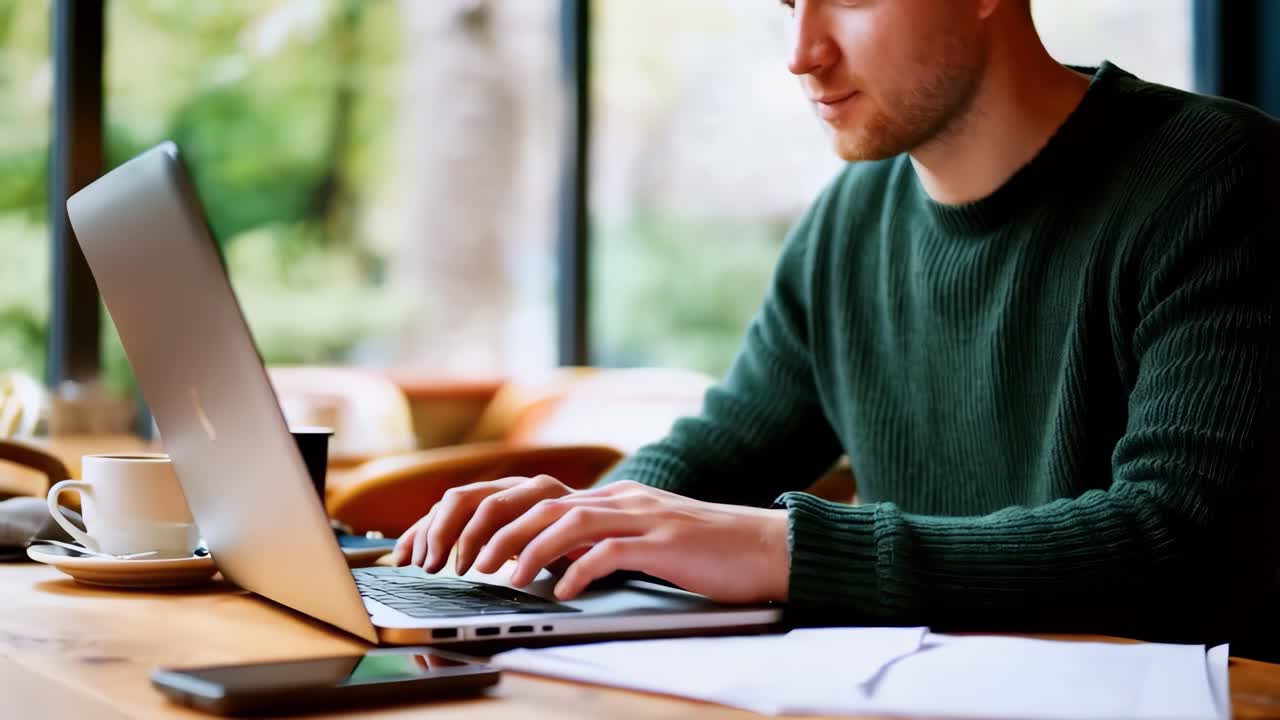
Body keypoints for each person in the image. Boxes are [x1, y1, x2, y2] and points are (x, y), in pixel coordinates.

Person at [392, 0, 1280, 647]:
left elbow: (1178, 537)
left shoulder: (1219, 180)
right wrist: (578, 525)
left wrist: (788, 548)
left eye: (849, 0)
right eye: (787, 5)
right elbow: (728, 446)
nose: (802, 53)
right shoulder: (847, 221)